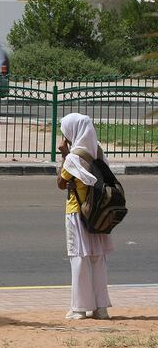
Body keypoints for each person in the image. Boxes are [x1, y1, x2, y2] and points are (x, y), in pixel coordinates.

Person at [57, 113, 113, 320]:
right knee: (98, 257)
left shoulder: (73, 157)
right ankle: (101, 308)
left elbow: (61, 183)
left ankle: (79, 308)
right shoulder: (97, 150)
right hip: (98, 211)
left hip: (77, 211)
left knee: (79, 257)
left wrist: (65, 155)